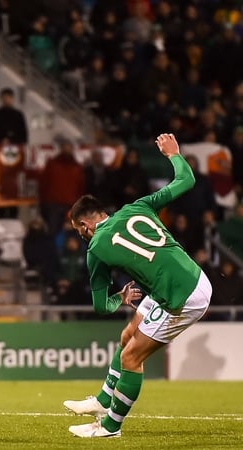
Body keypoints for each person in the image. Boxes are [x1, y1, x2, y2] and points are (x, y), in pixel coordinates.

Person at [64, 134, 212, 438]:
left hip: (182, 296)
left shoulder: (95, 249)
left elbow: (99, 306)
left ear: (85, 225)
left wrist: (118, 298)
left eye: (78, 230)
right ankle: (103, 401)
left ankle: (109, 427)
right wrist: (174, 155)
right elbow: (186, 181)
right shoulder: (138, 206)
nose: (80, 235)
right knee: (128, 334)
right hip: (190, 277)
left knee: (132, 356)